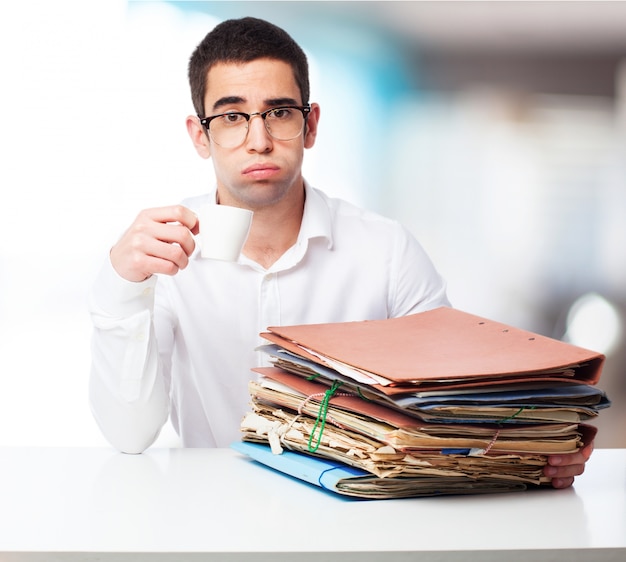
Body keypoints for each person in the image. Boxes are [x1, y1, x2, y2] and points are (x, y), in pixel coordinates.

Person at [89, 16, 592, 488]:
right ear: (201, 135)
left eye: (279, 113)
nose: (259, 140)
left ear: (310, 125)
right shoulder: (161, 256)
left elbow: (446, 406)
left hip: (355, 520)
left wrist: (540, 445)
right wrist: (122, 287)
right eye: (232, 116)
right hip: (216, 520)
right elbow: (130, 434)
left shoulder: (386, 249)